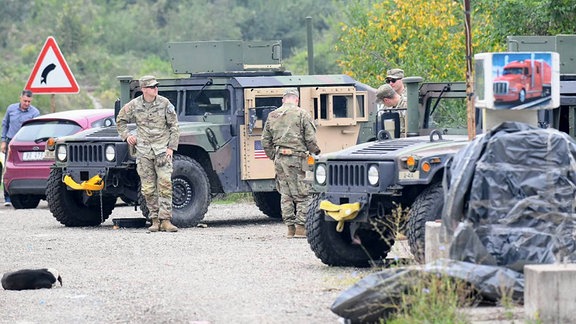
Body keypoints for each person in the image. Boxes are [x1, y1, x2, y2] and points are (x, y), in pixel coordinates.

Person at [116, 76, 180, 232]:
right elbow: (120, 120)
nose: (155, 89)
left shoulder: (165, 103)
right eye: (151, 87)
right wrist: (127, 136)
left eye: (156, 86)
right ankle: (155, 220)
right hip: (144, 152)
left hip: (162, 151)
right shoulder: (134, 105)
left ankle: (166, 220)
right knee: (148, 189)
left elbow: (174, 126)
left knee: (165, 185)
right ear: (143, 89)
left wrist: (171, 147)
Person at [261, 88, 321, 238]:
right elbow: (310, 139)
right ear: (297, 99)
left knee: (285, 194)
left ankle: (290, 228)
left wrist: (273, 156)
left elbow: (265, 141)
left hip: (280, 159)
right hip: (297, 158)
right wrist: (316, 152)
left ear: (283, 99)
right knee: (302, 193)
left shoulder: (272, 115)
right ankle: (301, 227)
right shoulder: (302, 114)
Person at [1, 90, 40, 206]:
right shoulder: (11, 109)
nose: (27, 103)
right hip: (11, 142)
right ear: (20, 98)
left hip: (26, 143)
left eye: (29, 101)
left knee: (26, 169)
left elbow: (36, 129)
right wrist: (3, 141)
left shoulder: (35, 113)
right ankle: (7, 197)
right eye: (25, 101)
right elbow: (5, 124)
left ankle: (27, 194)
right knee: (7, 169)